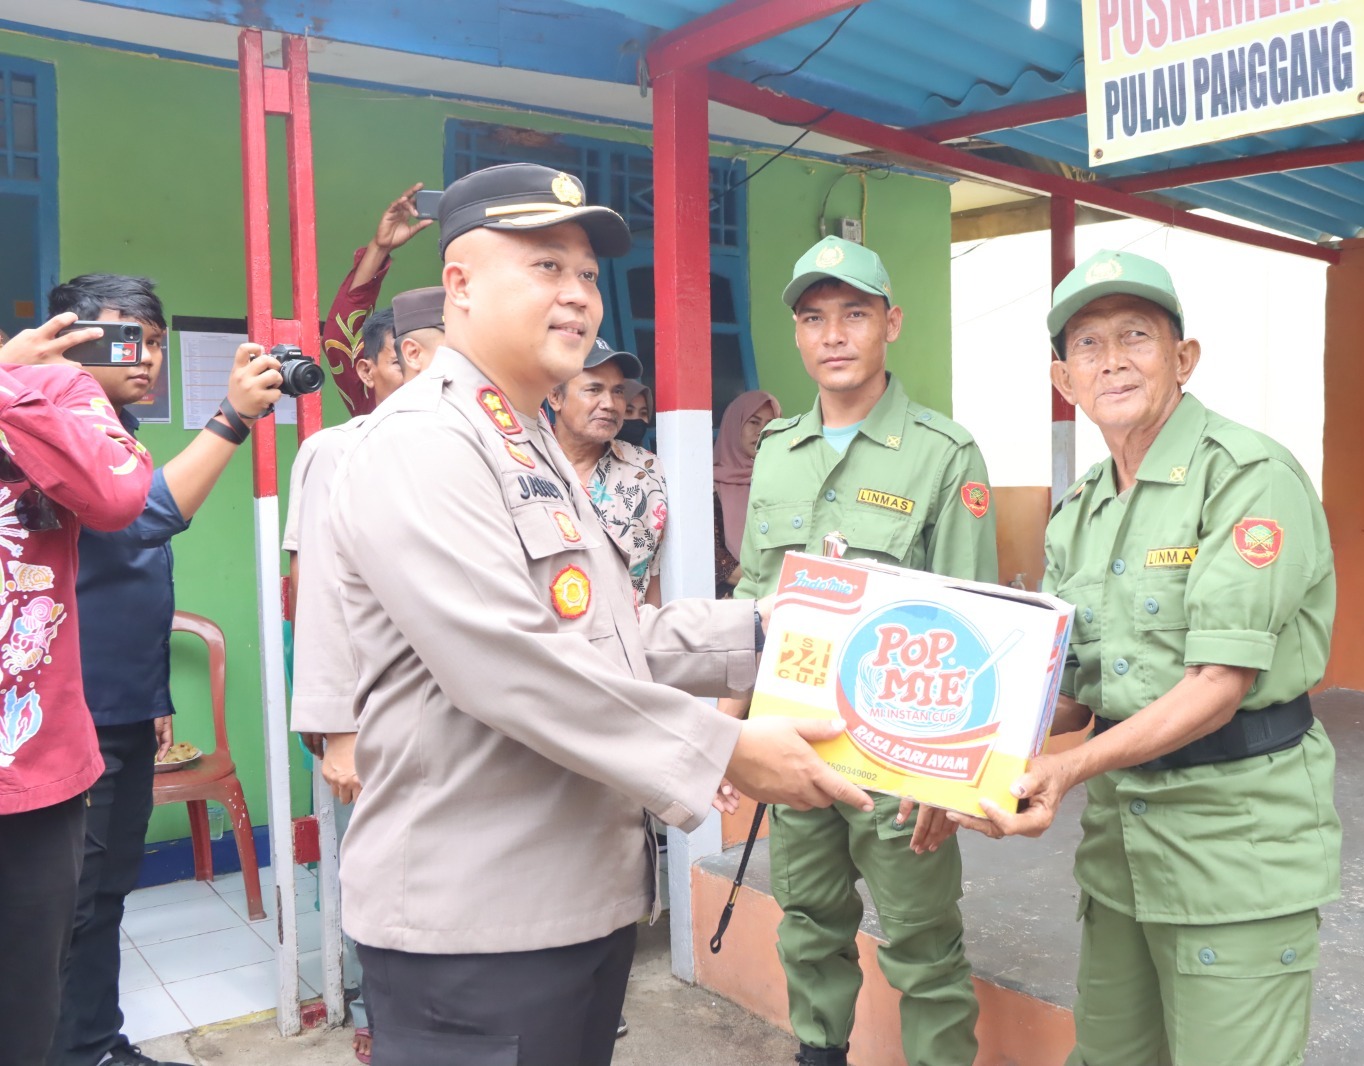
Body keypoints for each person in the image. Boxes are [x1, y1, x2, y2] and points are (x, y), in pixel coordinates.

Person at [289, 162, 874, 1066]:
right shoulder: (421, 444)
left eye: (589, 277)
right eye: (546, 267)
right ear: (460, 285)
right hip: (477, 925)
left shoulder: (522, 442)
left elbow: (611, 636)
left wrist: (774, 628)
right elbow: (509, 666)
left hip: (568, 903)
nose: (578, 297)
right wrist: (726, 751)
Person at [948, 249, 1341, 1066]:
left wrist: (1065, 769)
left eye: (1137, 335)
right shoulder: (1081, 511)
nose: (1113, 359)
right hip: (1122, 849)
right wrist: (952, 754)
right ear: (1065, 379)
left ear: (1183, 358)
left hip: (1236, 850)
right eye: (1089, 344)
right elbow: (1070, 687)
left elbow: (1217, 687)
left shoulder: (1248, 477)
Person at [725, 235, 999, 1066]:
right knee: (808, 924)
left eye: (855, 313)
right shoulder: (775, 452)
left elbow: (974, 626)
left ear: (892, 323)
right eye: (814, 318)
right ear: (800, 336)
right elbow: (752, 600)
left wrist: (952, 780)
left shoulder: (945, 453)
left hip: (902, 755)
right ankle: (819, 1054)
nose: (833, 334)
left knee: (922, 943)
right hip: (798, 741)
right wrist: (726, 729)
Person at [40, 275, 283, 1066]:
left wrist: (155, 693)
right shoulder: (57, 424)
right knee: (74, 902)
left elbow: (125, 578)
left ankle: (95, 1042)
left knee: (104, 894)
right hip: (71, 710)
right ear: (70, 338)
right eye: (123, 340)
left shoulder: (118, 425)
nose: (144, 357)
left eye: (154, 341)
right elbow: (147, 515)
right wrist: (233, 417)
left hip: (121, 700)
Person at [284, 285, 445, 1066]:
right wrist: (335, 730)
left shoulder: (483, 445)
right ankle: (379, 1020)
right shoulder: (335, 450)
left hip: (455, 711)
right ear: (383, 367)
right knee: (378, 870)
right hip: (373, 709)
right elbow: (315, 594)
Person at [0, 313, 153, 1066]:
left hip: (34, 771)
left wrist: (7, 385)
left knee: (26, 1010)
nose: (145, 358)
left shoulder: (49, 387)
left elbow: (120, 497)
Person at [547, 338, 665, 607]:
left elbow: (652, 575)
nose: (610, 404)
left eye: (618, 391)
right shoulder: (523, 463)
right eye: (594, 389)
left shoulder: (646, 471)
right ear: (555, 396)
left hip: (627, 641)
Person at [322, 184, 433, 418]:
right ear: (366, 372)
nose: (417, 375)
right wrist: (379, 248)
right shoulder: (369, 408)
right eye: (399, 362)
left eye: (429, 364)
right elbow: (339, 337)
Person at [710, 389, 780, 597]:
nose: (762, 431)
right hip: (731, 603)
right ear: (734, 426)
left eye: (770, 424)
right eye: (754, 422)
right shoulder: (707, 488)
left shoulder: (783, 480)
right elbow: (712, 559)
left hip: (779, 599)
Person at [618, 379, 655, 451]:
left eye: (643, 413)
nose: (636, 418)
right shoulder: (593, 458)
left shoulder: (648, 460)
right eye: (628, 411)